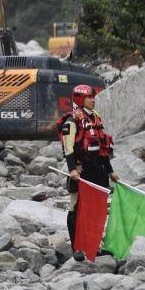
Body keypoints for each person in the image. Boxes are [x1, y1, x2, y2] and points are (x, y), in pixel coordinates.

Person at [59, 83, 118, 259]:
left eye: (93, 97)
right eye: (89, 97)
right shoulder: (72, 120)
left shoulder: (96, 118)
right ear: (79, 99)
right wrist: (72, 170)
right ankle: (77, 248)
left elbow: (102, 147)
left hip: (98, 170)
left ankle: (94, 246)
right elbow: (68, 147)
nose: (93, 100)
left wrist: (110, 171)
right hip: (81, 170)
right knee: (76, 208)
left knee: (97, 209)